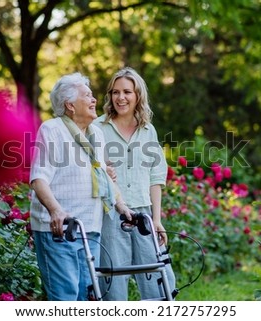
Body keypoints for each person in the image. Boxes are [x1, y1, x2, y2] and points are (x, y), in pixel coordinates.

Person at [29, 72, 131, 301]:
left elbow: (103, 174)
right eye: (87, 96)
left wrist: (122, 206)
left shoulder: (96, 134)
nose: (94, 100)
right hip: (59, 229)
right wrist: (55, 209)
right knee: (66, 297)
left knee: (87, 296)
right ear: (70, 105)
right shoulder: (52, 130)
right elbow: (39, 178)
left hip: (90, 229)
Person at [93, 67, 176, 300]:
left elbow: (156, 178)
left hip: (143, 214)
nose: (121, 98)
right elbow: (90, 169)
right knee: (113, 282)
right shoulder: (97, 128)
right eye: (115, 92)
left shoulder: (148, 131)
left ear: (138, 95)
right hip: (110, 214)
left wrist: (156, 219)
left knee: (158, 282)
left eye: (127, 92)